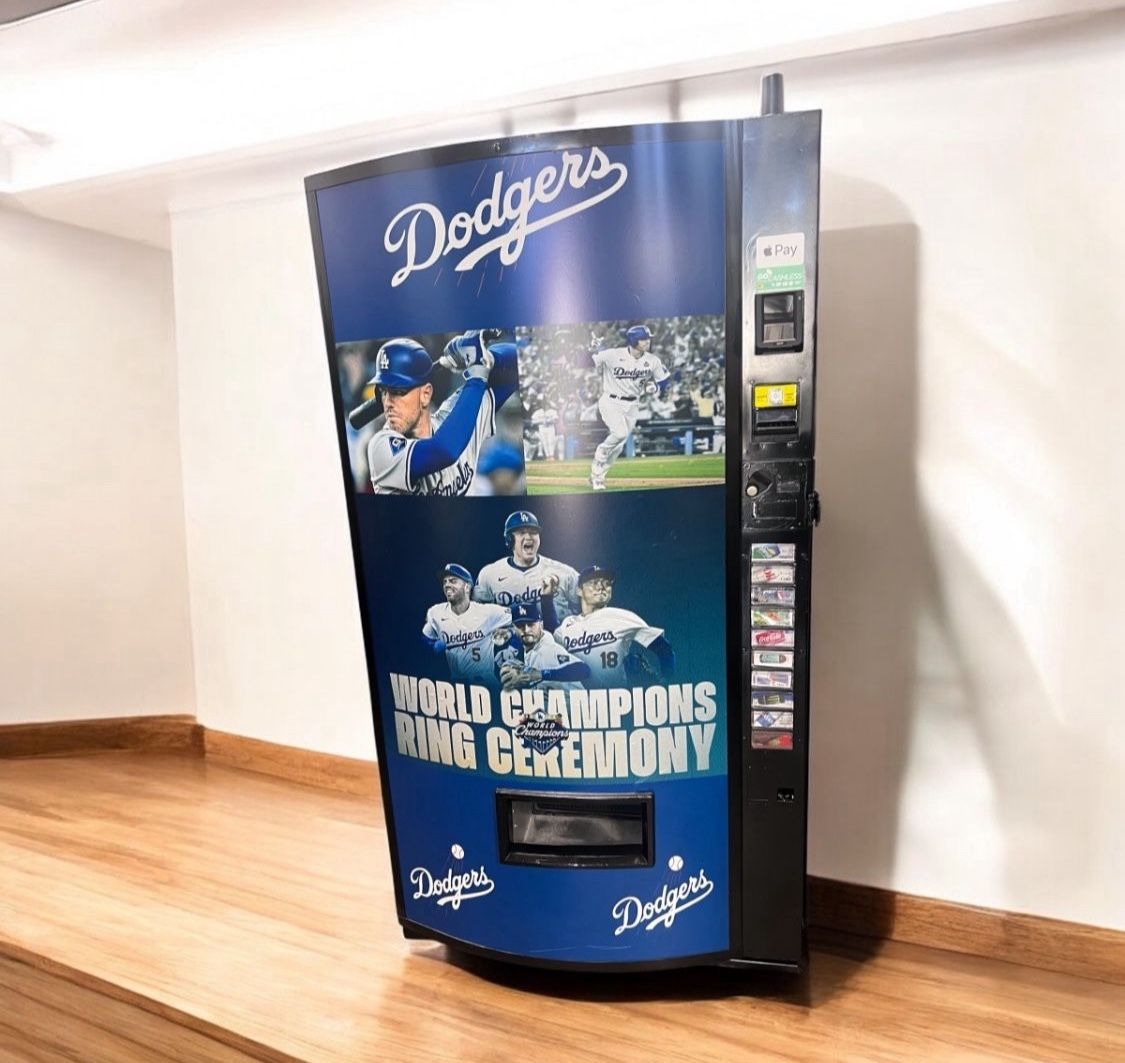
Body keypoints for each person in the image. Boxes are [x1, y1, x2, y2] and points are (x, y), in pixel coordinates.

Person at [366, 330, 518, 496]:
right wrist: (476, 376)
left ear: (425, 394)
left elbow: (518, 362)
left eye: (398, 391)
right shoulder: (381, 447)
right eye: (383, 391)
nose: (387, 402)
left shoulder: (457, 417)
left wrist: (485, 357)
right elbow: (444, 450)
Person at [547, 565, 675, 687]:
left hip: (614, 702)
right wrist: (545, 597)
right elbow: (551, 633)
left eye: (606, 583)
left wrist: (666, 682)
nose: (601, 587)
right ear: (579, 590)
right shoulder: (569, 622)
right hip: (578, 704)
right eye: (594, 582)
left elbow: (664, 649)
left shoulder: (621, 617)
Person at [588, 325, 671, 490]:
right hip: (611, 401)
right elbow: (584, 362)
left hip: (633, 405)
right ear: (633, 340)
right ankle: (600, 455)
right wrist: (591, 348)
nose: (648, 341)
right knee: (619, 434)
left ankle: (597, 476)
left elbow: (664, 382)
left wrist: (657, 387)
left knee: (618, 447)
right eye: (643, 339)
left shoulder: (652, 360)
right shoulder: (613, 354)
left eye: (648, 338)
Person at [474, 510, 580, 619]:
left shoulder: (564, 572)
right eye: (521, 532)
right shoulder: (489, 574)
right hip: (510, 635)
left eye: (533, 532)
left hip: (555, 634)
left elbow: (589, 608)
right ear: (509, 540)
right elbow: (476, 615)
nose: (528, 537)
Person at [421, 564, 511, 684]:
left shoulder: (487, 612)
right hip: (457, 687)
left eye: (453, 581)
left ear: (467, 587)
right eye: (445, 582)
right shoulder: (436, 613)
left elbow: (518, 613)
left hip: (486, 683)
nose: (447, 585)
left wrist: (511, 635)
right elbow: (424, 639)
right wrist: (432, 646)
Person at [498, 601, 590, 692]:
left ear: (541, 625)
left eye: (531, 624)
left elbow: (583, 669)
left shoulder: (548, 650)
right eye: (520, 625)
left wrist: (540, 674)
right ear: (514, 628)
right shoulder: (530, 646)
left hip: (573, 705)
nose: (526, 630)